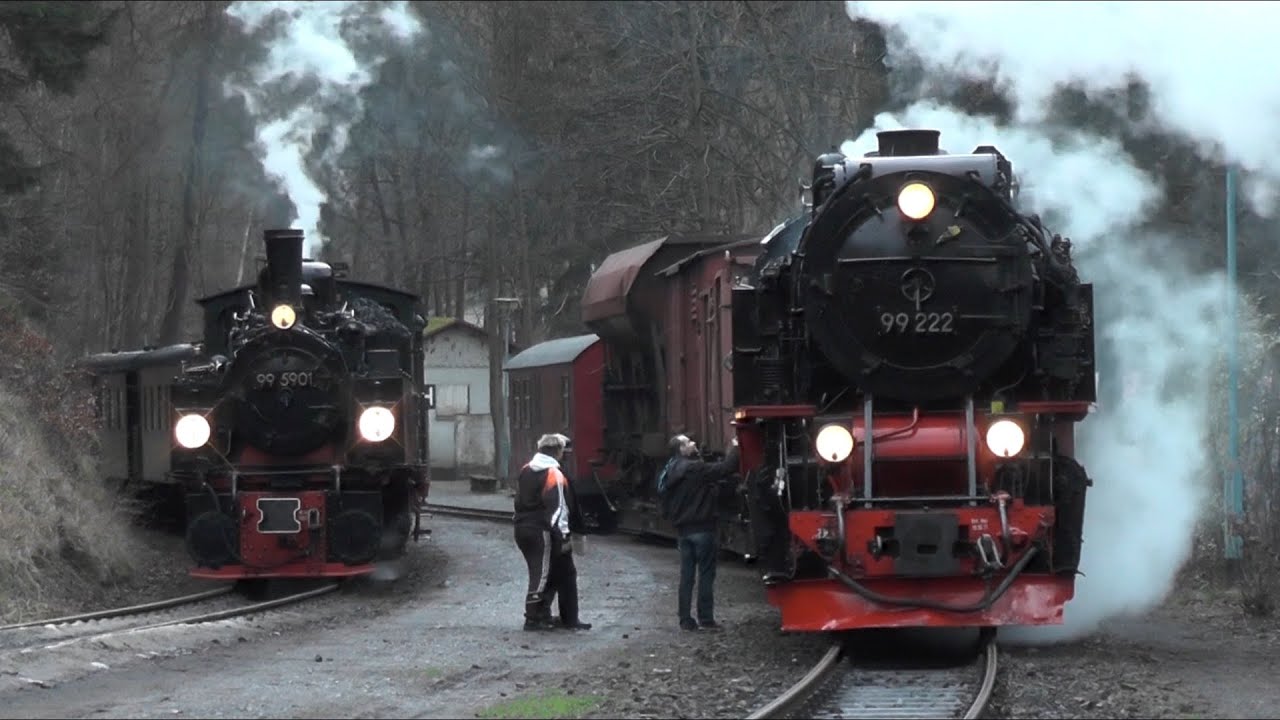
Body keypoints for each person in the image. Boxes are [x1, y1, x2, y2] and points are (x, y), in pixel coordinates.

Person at [513, 433, 592, 632]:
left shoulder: (526, 469)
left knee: (562, 571)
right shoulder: (553, 474)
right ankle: (533, 618)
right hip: (543, 530)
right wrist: (563, 534)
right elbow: (557, 507)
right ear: (558, 451)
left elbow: (518, 500)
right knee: (542, 573)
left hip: (522, 526)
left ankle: (563, 617)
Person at [662, 433, 740, 631]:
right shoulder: (694, 468)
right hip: (702, 528)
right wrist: (736, 447)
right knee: (706, 574)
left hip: (683, 530)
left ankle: (685, 620)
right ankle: (706, 619)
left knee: (686, 575)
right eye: (688, 442)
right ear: (682, 449)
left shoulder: (670, 469)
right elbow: (725, 469)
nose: (694, 443)